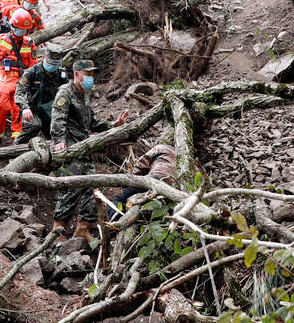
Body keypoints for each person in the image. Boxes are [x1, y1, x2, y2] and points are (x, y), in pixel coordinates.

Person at [50, 59, 130, 242]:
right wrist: (59, 142)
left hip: (84, 146)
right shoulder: (65, 92)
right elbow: (58, 119)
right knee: (70, 186)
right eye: (88, 74)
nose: (91, 78)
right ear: (77, 74)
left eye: (92, 75)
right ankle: (58, 230)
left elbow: (92, 121)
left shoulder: (84, 94)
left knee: (92, 187)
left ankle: (83, 228)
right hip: (70, 147)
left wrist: (113, 125)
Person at [0, 8, 38, 145]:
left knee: (18, 107)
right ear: (13, 26)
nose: (22, 32)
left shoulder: (29, 43)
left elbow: (33, 66)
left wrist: (33, 83)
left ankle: (16, 140)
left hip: (21, 78)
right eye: (20, 29)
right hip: (3, 76)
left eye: (25, 30)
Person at [14, 43, 67, 144]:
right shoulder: (31, 72)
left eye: (55, 64)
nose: (52, 66)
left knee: (60, 126)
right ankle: (17, 145)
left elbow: (67, 91)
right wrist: (25, 107)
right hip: (31, 109)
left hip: (50, 108)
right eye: (50, 63)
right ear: (43, 58)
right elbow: (19, 92)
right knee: (34, 125)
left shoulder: (61, 74)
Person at [105, 144, 176, 221]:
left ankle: (113, 216)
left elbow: (142, 164)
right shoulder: (186, 158)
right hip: (172, 188)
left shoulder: (161, 148)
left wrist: (132, 180)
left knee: (120, 199)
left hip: (154, 178)